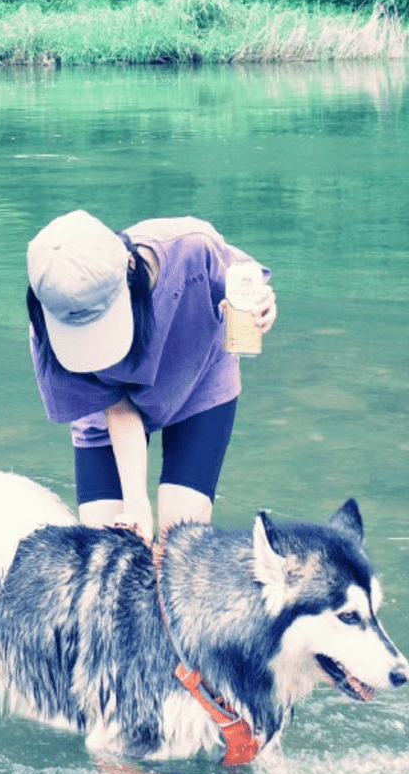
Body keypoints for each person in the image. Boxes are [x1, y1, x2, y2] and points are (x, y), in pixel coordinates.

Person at [26, 210, 277, 542]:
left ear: (130, 266)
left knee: (181, 542)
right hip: (111, 411)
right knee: (108, 549)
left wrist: (262, 305)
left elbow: (245, 281)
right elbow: (118, 409)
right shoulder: (49, 331)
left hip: (197, 380)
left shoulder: (190, 249)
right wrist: (136, 504)